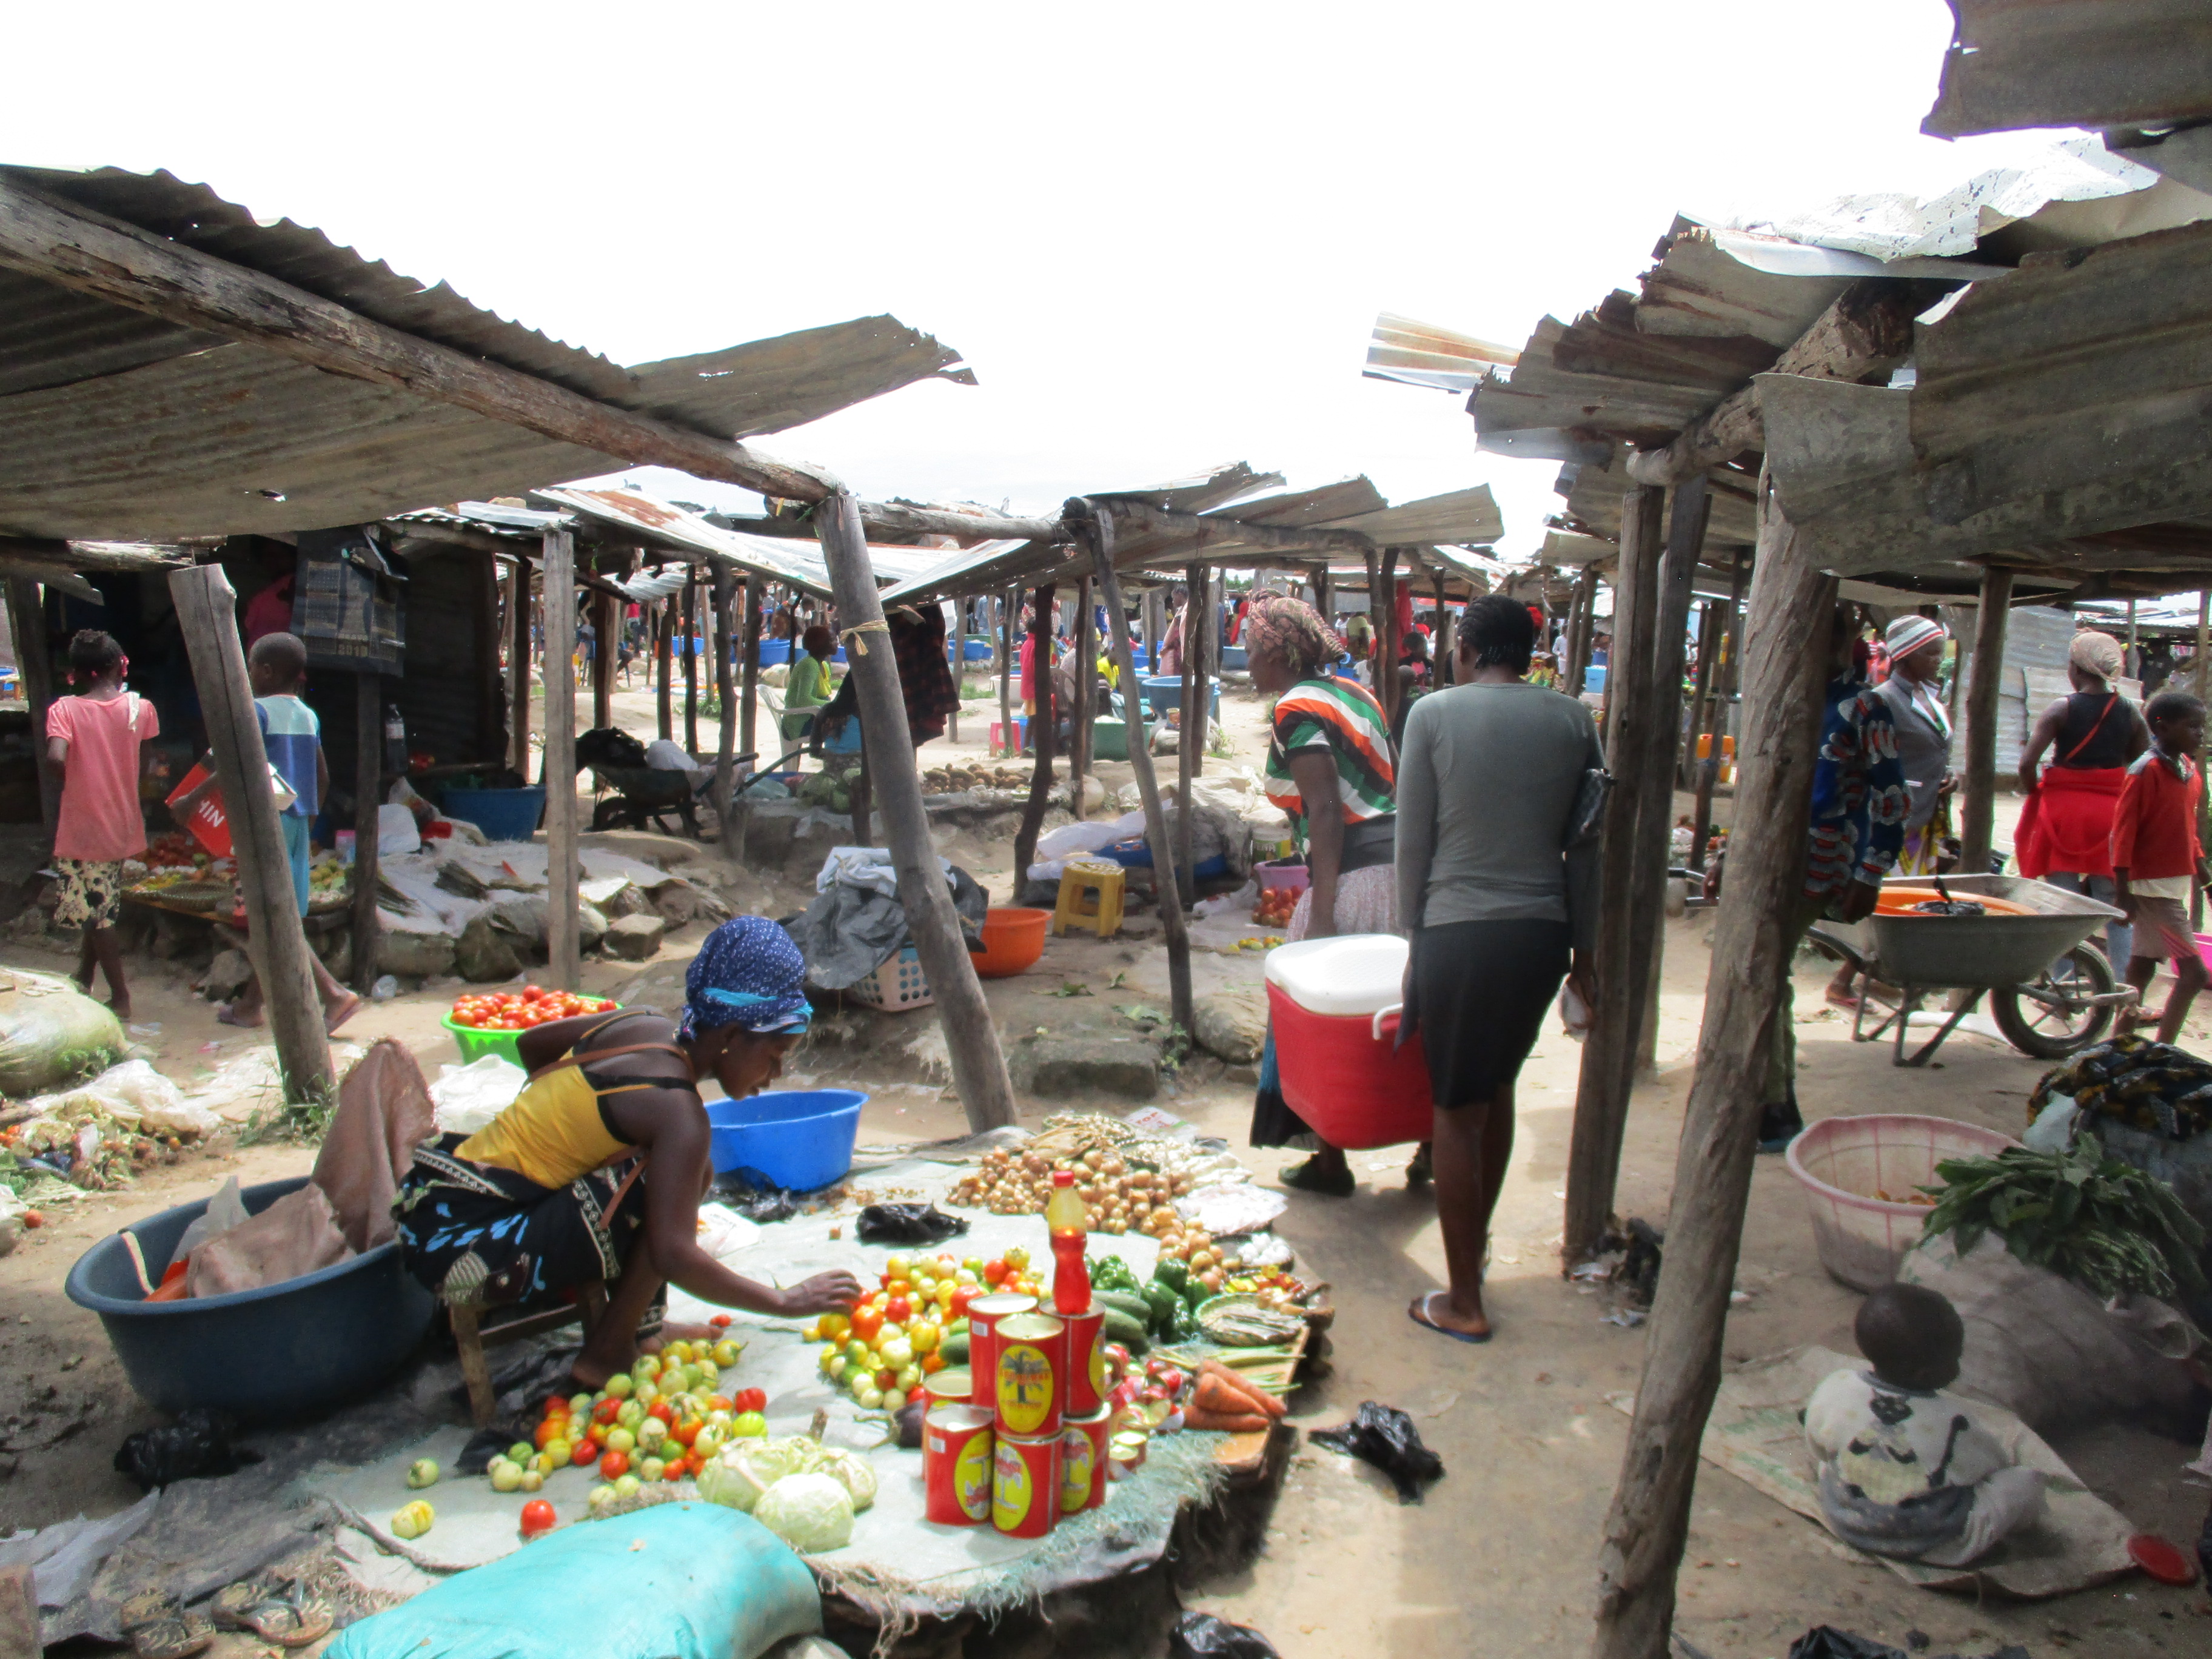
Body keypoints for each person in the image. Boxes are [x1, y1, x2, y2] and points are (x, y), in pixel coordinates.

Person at [395, 917, 861, 1388]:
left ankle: (640, 1329)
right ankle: (608, 1353)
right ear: (733, 1036)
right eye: (776, 1053)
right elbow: (674, 1255)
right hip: (460, 1245)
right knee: (668, 1179)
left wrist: (568, 1132)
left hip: (437, 1200)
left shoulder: (642, 1023)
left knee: (674, 1172)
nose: (777, 1072)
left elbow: (532, 1044)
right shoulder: (678, 1113)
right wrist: (787, 1301)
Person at [1396, 595, 1601, 1341]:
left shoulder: (1433, 715)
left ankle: (1464, 1302)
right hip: (1541, 937)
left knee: (1454, 1109)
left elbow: (1411, 847)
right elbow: (1585, 848)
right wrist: (1586, 955)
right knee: (1497, 1086)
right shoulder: (1575, 721)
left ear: (1466, 646)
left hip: (1460, 935)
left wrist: (1412, 949)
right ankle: (1470, 1254)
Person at [1244, 594, 1407, 1196]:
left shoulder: (1296, 707)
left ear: (1276, 651)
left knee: (1323, 1018)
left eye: (1252, 647)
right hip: (1396, 874)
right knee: (1395, 1014)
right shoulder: (1355, 693)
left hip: (1354, 876)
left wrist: (1323, 910)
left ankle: (1331, 1160)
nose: (1248, 660)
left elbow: (1326, 811)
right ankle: (1427, 1147)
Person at [1765, 607, 1909, 1149]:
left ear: (1845, 642)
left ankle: (1775, 1105)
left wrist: (1870, 872)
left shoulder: (1863, 707)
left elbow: (1891, 796)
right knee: (1763, 973)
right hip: (1769, 857)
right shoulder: (1786, 698)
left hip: (1821, 861)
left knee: (1764, 971)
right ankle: (1773, 1100)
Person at [1805, 1284, 2047, 1566]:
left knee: (1832, 1458)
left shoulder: (1837, 1386)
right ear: (1925, 1374)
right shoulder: (1953, 1419)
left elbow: (1817, 1446)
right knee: (2026, 1483)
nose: (1958, 1368)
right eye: (1954, 1360)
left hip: (1847, 1521)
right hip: (1930, 1543)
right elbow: (1990, 1467)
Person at [200, 634, 361, 1033]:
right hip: (298, 822)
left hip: (267, 824)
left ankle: (335, 994)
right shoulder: (308, 715)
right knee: (274, 917)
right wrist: (308, 819)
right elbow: (322, 776)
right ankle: (250, 1007)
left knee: (276, 918)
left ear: (267, 671)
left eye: (253, 666)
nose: (250, 674)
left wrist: (192, 799)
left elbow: (238, 765)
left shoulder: (257, 711)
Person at [44, 631, 159, 1020]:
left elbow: (56, 757)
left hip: (86, 825)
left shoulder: (64, 710)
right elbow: (146, 763)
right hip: (124, 821)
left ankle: (121, 997)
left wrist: (78, 781)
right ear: (118, 665)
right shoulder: (140, 708)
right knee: (100, 899)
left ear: (76, 672)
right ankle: (82, 976)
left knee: (98, 913)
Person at [2015, 629, 2147, 969]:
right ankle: (2120, 983)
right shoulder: (2131, 713)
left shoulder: (2061, 708)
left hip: (2063, 815)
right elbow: (2139, 766)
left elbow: (2027, 764)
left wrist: (2037, 794)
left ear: (2075, 668)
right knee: (2112, 902)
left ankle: (2062, 983)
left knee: (2063, 901)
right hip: (2111, 816)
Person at [2110, 688, 2210, 1044]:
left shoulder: (2189, 772)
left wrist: (2206, 879)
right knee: (2194, 974)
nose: (2200, 733)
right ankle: (2164, 1048)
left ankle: (2119, 1043)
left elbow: (2189, 833)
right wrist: (2122, 892)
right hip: (2151, 888)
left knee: (2142, 966)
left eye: (2202, 726)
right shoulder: (2145, 771)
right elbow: (2122, 834)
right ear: (2162, 727)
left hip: (2171, 884)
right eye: (2192, 726)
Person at [1871, 614, 1957, 877]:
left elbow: (1937, 748)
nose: (1938, 660)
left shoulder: (1931, 697)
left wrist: (1946, 775)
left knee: (1914, 894)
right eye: (1930, 653)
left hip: (1925, 816)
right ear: (1905, 655)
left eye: (1939, 653)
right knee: (1890, 894)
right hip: (1891, 821)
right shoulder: (1882, 701)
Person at [779, 625, 839, 743]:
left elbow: (823, 688)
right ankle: (837, 758)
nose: (837, 643)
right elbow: (803, 700)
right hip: (800, 724)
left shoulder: (823, 665)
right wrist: (834, 705)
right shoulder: (809, 665)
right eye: (832, 640)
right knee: (847, 725)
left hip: (812, 718)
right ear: (819, 643)